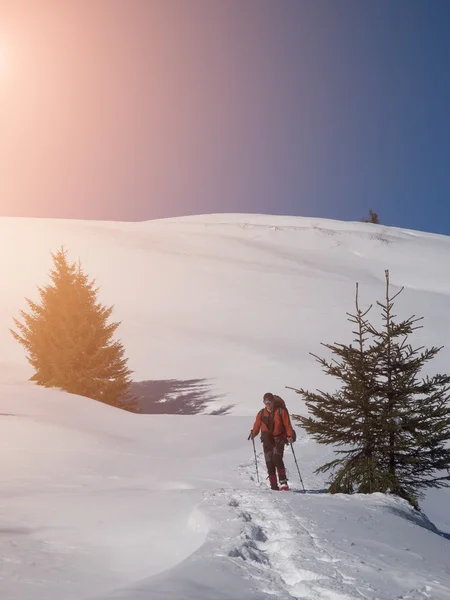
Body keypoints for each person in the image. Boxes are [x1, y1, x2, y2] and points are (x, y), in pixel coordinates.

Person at [249, 392, 294, 490]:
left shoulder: (281, 411)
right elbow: (257, 426)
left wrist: (290, 435)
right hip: (267, 440)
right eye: (266, 402)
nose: (267, 404)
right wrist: (253, 433)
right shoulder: (261, 413)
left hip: (279, 439)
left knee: (277, 458)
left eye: (269, 401)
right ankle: (273, 485)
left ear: (273, 401)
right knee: (269, 462)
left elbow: (287, 425)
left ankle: (283, 483)